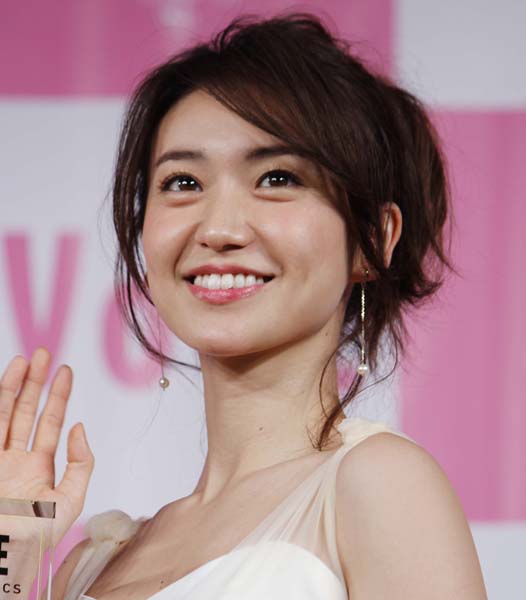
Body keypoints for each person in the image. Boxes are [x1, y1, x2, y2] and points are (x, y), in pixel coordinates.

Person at [0, 11, 488, 600]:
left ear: (372, 240)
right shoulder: (91, 563)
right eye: (183, 183)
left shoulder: (380, 486)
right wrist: (13, 556)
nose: (219, 228)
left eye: (277, 178)